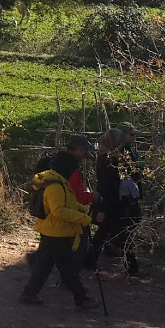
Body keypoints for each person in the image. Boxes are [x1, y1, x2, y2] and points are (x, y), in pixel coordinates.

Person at [20, 149, 98, 309]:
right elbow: (59, 211)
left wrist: (81, 210)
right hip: (57, 232)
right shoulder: (55, 185)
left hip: (53, 231)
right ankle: (82, 299)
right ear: (66, 167)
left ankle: (29, 294)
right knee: (68, 268)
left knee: (44, 266)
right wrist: (83, 218)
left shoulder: (59, 181)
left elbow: (67, 204)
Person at [84, 127, 142, 278]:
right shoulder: (110, 161)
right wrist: (102, 208)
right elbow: (105, 185)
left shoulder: (111, 157)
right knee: (122, 236)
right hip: (113, 203)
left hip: (114, 202)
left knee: (105, 234)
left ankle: (89, 261)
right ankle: (132, 268)